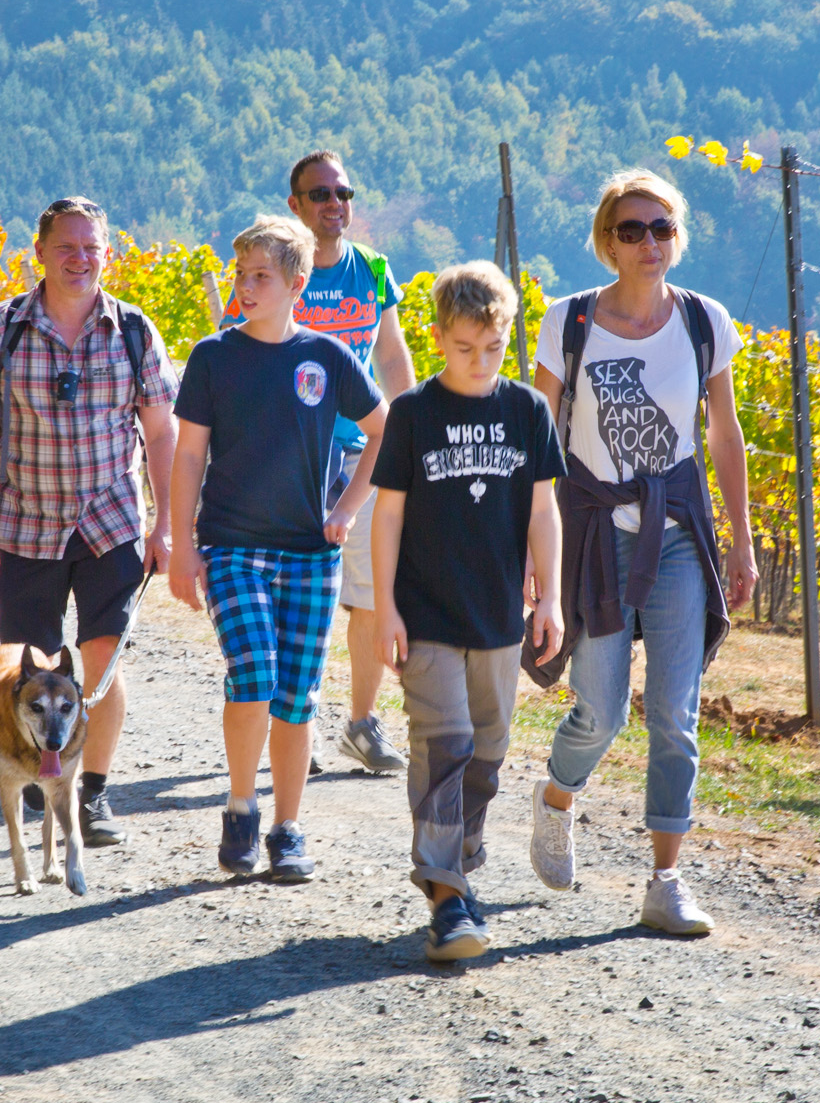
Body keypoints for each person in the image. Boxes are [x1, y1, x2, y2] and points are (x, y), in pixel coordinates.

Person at [526, 169, 759, 937]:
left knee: (675, 714)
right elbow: (538, 443)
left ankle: (666, 880)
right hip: (592, 531)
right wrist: (531, 553)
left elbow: (724, 435)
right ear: (607, 242)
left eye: (662, 228)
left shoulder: (704, 322)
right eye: (633, 230)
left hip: (679, 537)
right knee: (601, 713)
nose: (650, 242)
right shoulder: (567, 323)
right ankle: (558, 796)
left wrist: (742, 541)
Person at [169, 214, 387, 883]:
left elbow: (385, 431)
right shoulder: (214, 357)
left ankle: (288, 829)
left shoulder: (325, 358)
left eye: (260, 275)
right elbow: (188, 457)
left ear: (297, 283)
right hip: (234, 547)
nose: (246, 285)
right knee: (254, 674)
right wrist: (181, 545)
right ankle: (241, 806)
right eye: (241, 273)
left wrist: (347, 509)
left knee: (297, 696)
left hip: (308, 553)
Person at [0, 196, 175, 850]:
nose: (80, 259)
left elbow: (162, 430)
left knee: (100, 664)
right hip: (26, 524)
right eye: (67, 247)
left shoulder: (135, 330)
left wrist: (169, 523)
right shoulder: (2, 329)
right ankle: (33, 781)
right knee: (32, 673)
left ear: (106, 254)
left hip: (112, 523)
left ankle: (93, 791)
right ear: (40, 253)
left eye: (91, 248)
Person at [370, 262, 563, 961]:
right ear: (437, 337)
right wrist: (386, 607)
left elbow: (544, 510)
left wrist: (553, 597)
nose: (479, 363)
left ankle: (460, 845)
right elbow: (387, 517)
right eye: (463, 349)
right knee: (444, 742)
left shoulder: (526, 411)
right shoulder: (414, 415)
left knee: (489, 749)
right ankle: (448, 896)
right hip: (426, 614)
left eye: (492, 348)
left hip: (498, 615)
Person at [235, 151, 417, 775]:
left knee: (368, 592)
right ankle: (293, 722)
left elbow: (389, 357)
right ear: (295, 205)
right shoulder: (275, 272)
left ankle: (361, 725)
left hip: (363, 451)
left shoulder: (371, 269)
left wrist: (412, 426)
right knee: (289, 592)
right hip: (290, 458)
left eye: (343, 192)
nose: (333, 204)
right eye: (319, 194)